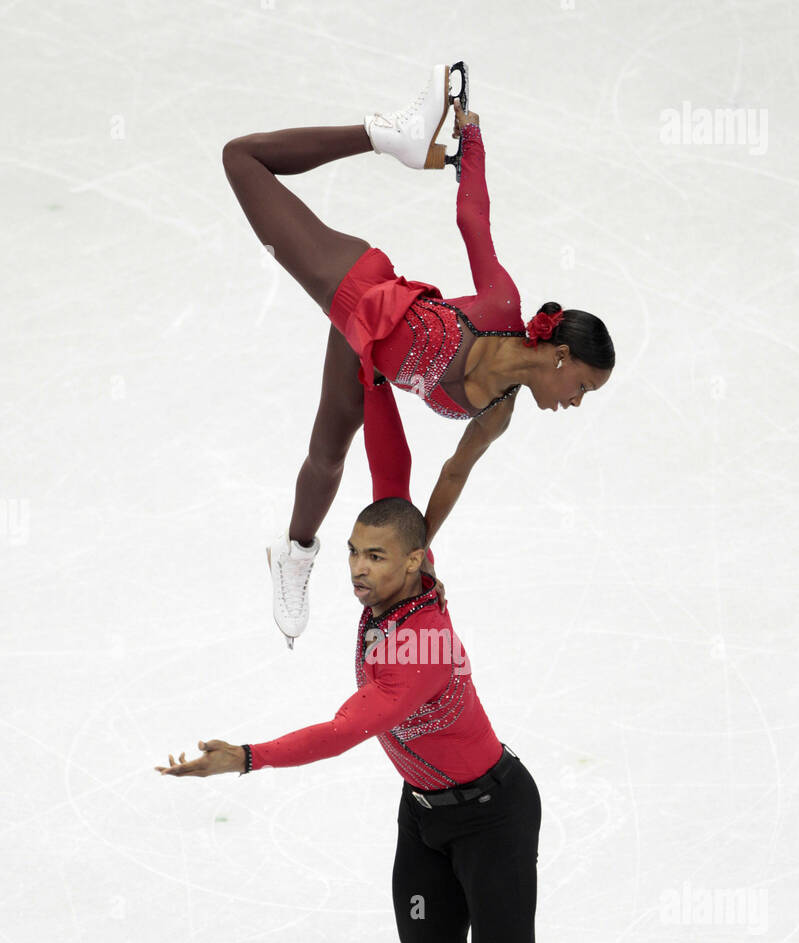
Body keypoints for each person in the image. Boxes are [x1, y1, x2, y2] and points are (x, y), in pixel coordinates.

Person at [156, 382, 611, 943]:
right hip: (426, 817)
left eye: (374, 556)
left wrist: (245, 758)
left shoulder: (424, 647)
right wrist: (373, 377)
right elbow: (394, 465)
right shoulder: (383, 596)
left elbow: (346, 729)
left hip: (494, 815)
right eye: (354, 552)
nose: (357, 567)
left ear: (417, 561)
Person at [222, 63, 615, 645]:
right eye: (583, 386)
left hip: (363, 355)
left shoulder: (499, 410)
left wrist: (417, 555)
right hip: (358, 288)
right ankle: (383, 135)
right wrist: (470, 142)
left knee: (327, 457)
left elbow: (454, 473)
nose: (576, 402)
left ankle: (294, 553)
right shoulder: (502, 307)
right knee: (241, 159)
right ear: (561, 357)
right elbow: (472, 218)